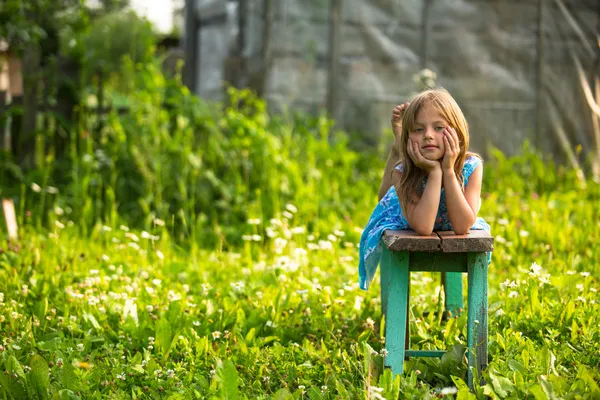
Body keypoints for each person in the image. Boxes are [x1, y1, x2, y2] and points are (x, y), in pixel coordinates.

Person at [358, 88, 490, 290]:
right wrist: (435, 173)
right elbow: (423, 228)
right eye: (418, 129)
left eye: (438, 128)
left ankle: (399, 147)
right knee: (385, 199)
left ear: (458, 131)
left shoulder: (471, 166)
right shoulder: (402, 173)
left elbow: (463, 227)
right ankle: (398, 147)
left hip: (448, 204)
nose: (428, 135)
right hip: (407, 212)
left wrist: (448, 170)